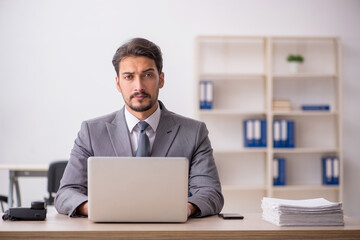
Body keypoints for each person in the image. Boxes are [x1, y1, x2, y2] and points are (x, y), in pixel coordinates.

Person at [54, 38, 224, 218]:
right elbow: (66, 193)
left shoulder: (194, 132)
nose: (139, 86)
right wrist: (97, 209)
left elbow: (210, 193)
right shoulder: (91, 132)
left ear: (161, 79)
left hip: (171, 232)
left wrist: (185, 209)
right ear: (118, 83)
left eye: (148, 75)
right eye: (129, 77)